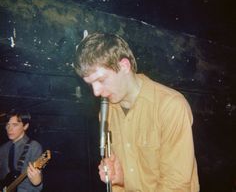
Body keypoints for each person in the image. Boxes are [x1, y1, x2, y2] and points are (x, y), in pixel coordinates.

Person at [74, 33, 200, 192]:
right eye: (90, 84)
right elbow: (121, 184)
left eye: (101, 80)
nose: (96, 92)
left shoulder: (170, 106)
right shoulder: (106, 113)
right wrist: (119, 180)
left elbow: (176, 185)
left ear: (124, 66)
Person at [0, 109, 43, 192]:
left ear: (25, 126)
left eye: (15, 125)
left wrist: (37, 182)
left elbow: (37, 186)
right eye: (8, 125)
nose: (9, 129)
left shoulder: (34, 147)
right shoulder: (3, 148)